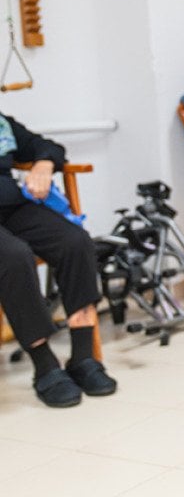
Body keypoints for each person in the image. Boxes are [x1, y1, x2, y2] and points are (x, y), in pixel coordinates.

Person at [0, 114, 117, 407]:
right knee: (14, 256)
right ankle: (45, 366)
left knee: (75, 242)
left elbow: (46, 146)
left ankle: (82, 357)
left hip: (11, 207)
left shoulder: (3, 124)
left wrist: (43, 164)